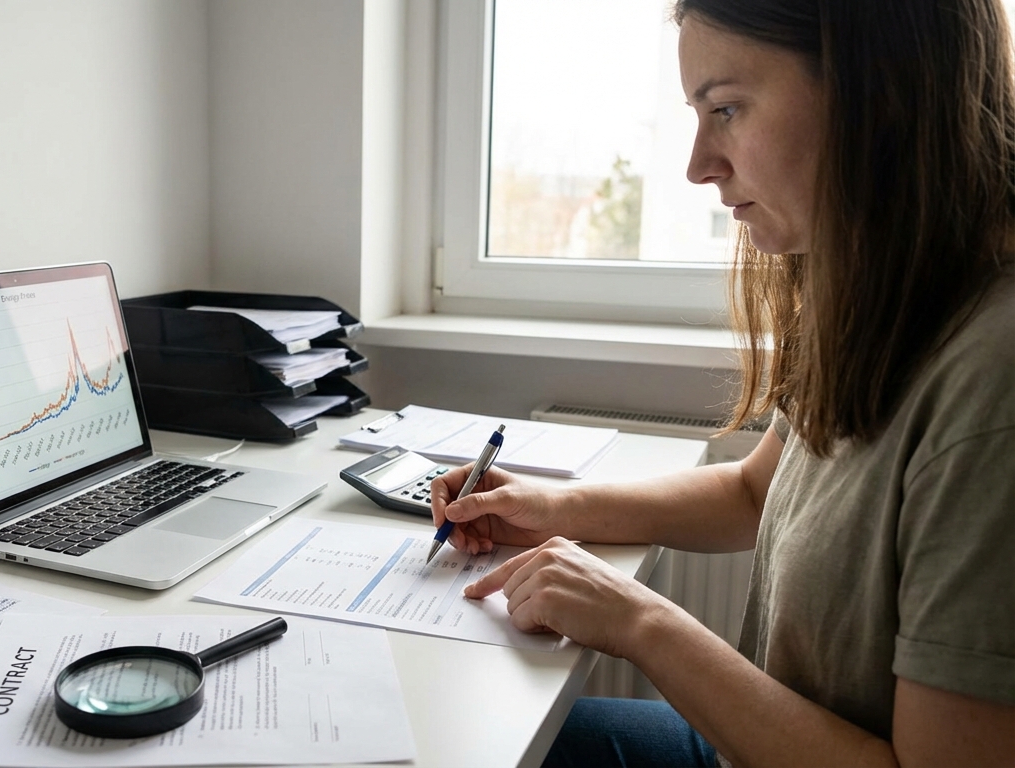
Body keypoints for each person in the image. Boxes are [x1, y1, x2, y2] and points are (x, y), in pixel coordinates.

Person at [430, 1, 1015, 765]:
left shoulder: (992, 389)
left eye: (727, 109)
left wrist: (642, 622)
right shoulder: (886, 297)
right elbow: (751, 492)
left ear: (882, 91)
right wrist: (552, 509)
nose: (699, 164)